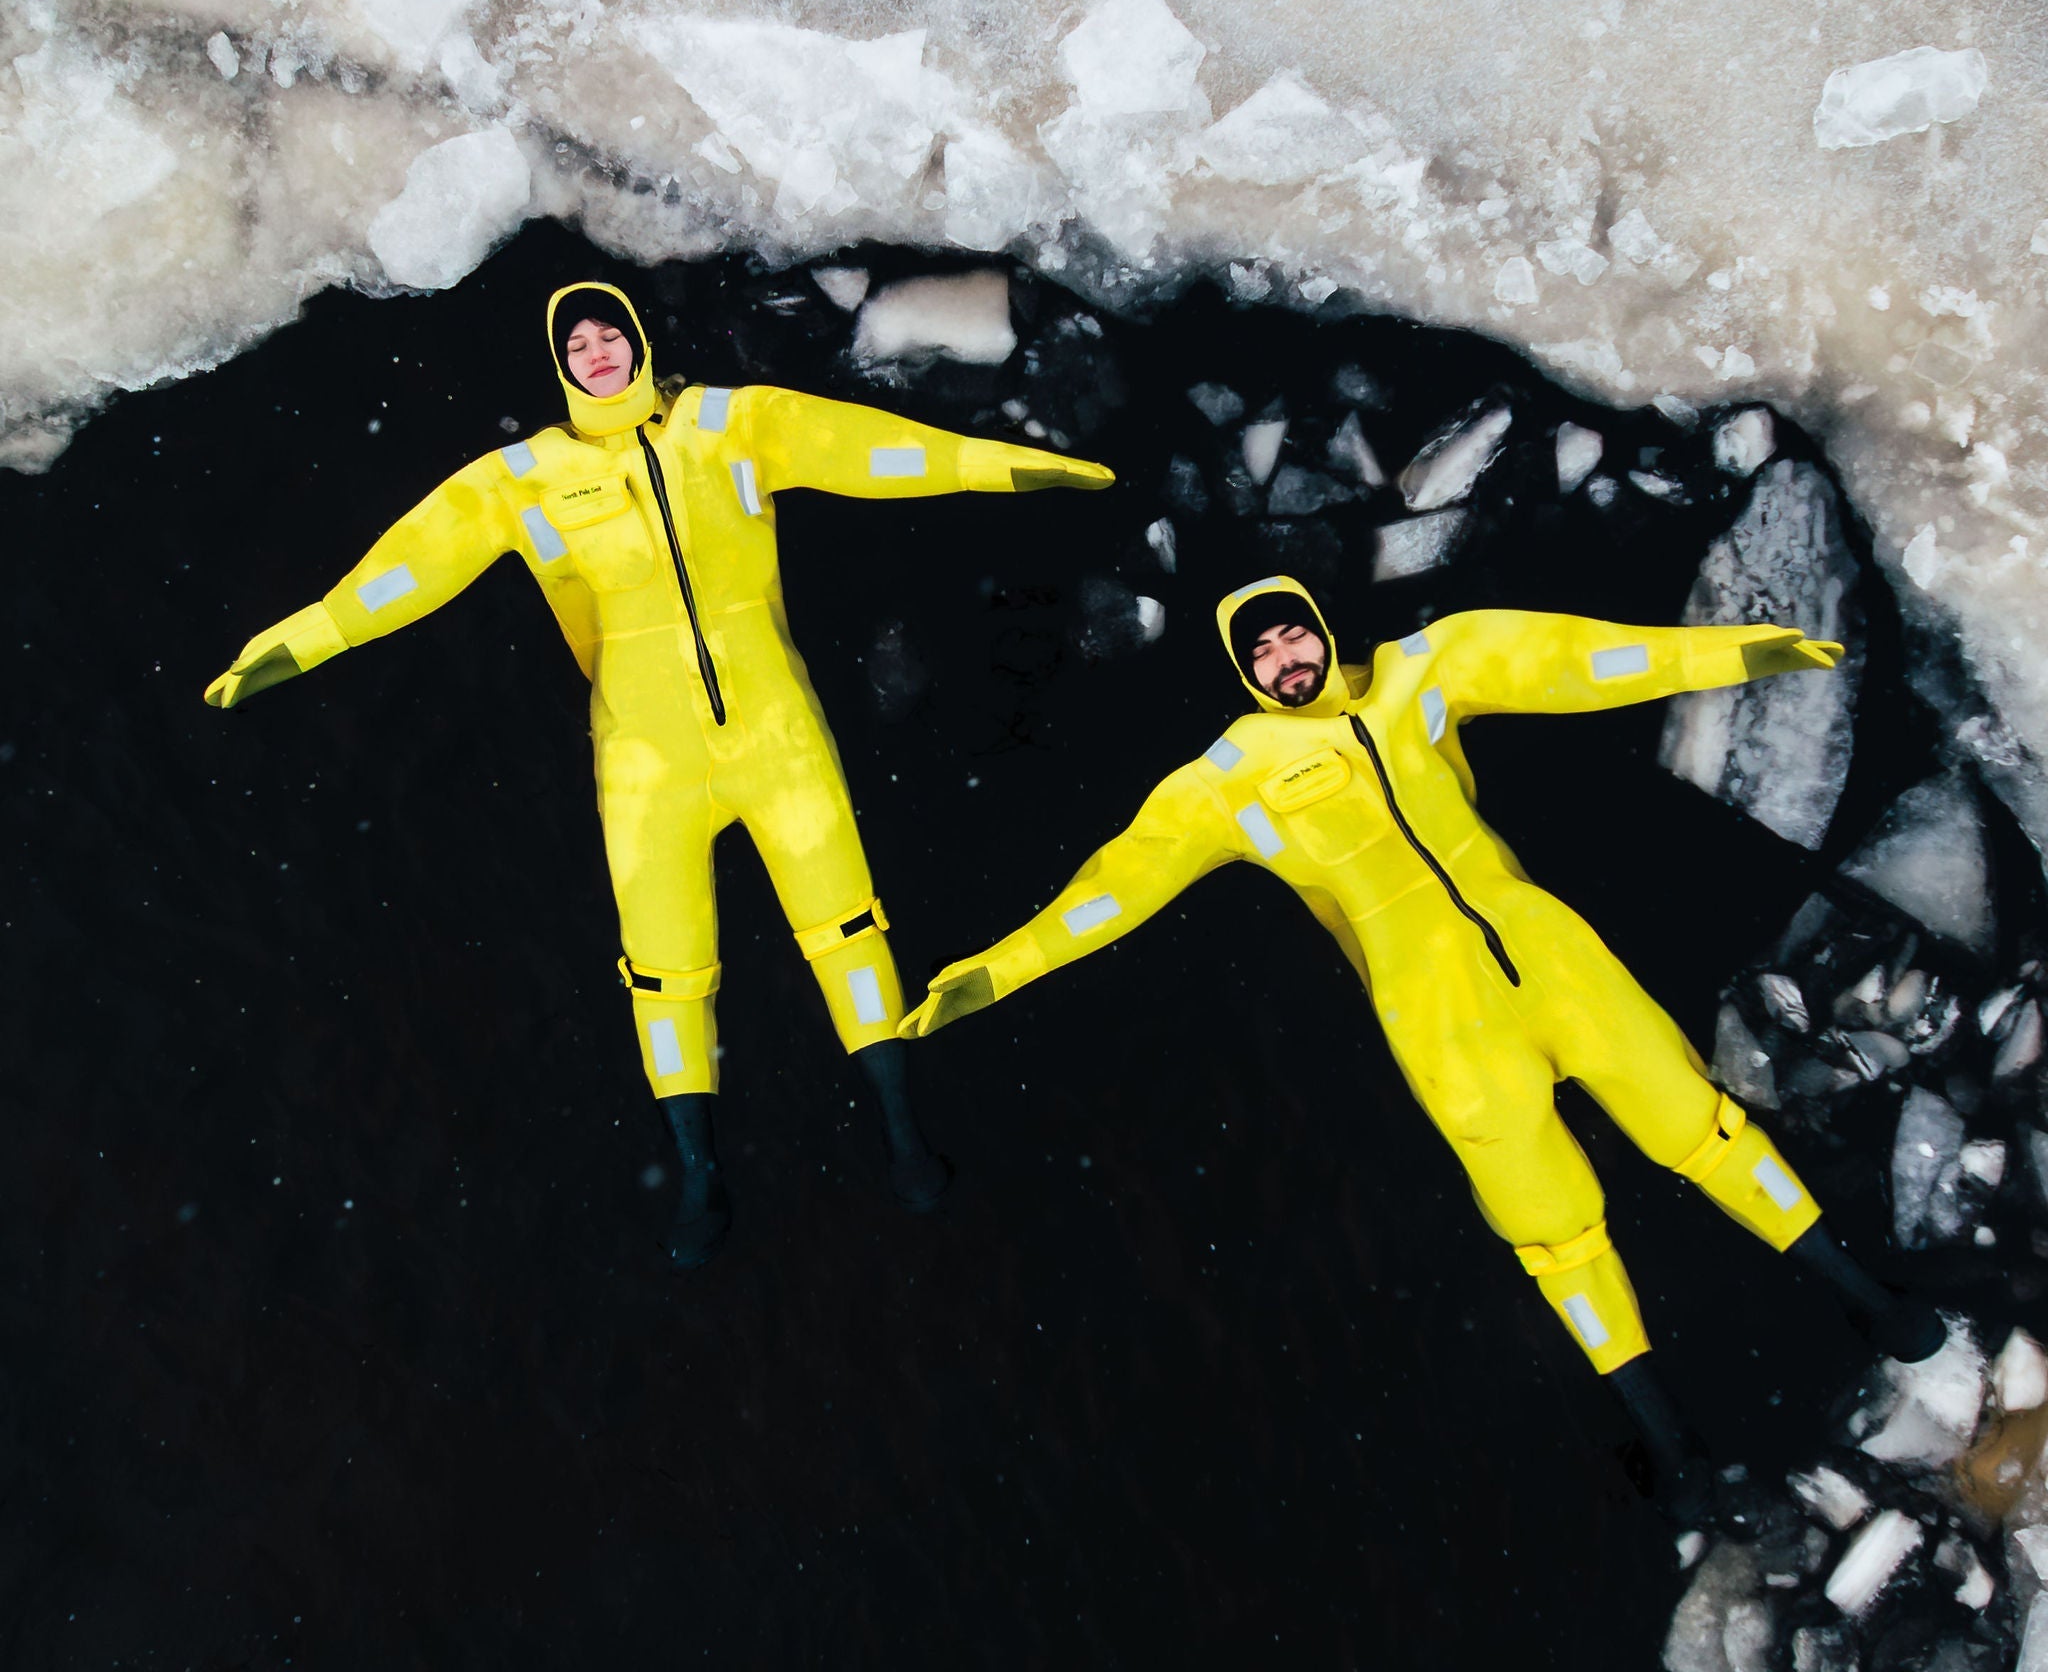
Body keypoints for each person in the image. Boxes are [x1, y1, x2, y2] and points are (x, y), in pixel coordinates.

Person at [899, 574, 1943, 1520]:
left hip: (1549, 955)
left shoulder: (1421, 673)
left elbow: (1581, 659)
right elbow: (1110, 891)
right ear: (1239, 669)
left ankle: (1866, 1299)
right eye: (1258, 651)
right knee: (1552, 1226)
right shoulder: (1228, 780)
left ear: (1318, 624)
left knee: (1699, 1125)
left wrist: (1737, 652)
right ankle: (1671, 1439)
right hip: (1440, 1022)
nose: (1283, 657)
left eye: (1291, 632)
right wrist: (994, 971)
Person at [205, 279, 1114, 1269]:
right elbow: (406, 571)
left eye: (610, 332)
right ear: (562, 366)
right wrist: (295, 642)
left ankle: (901, 1125)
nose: (597, 350)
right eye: (577, 342)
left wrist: (1011, 466)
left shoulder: (733, 422)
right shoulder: (524, 476)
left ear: (639, 343)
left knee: (846, 923)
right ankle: (696, 1167)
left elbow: (877, 453)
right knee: (665, 968)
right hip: (646, 762)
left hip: (774, 733)